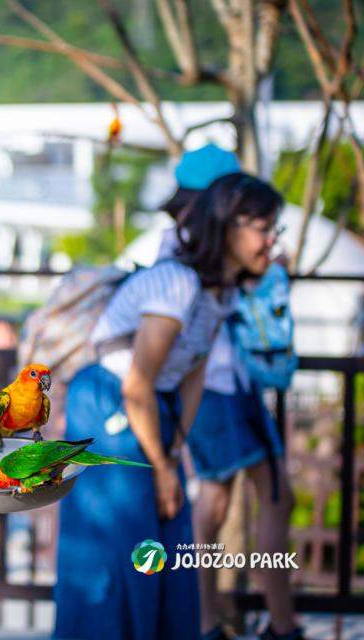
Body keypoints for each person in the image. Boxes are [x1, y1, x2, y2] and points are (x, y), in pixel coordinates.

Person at [53, 173, 285, 640]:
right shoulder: (176, 283)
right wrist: (162, 464)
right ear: (228, 227)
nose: (271, 240)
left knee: (167, 539)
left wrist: (174, 452)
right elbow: (136, 383)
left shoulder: (221, 291)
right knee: (120, 552)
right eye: (263, 227)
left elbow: (192, 372)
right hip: (109, 405)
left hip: (151, 410)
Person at [158, 147, 302, 640]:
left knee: (244, 502)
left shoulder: (195, 249)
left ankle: (226, 620)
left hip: (231, 388)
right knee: (223, 505)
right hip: (215, 392)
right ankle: (225, 621)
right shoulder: (183, 256)